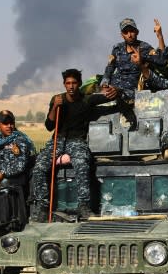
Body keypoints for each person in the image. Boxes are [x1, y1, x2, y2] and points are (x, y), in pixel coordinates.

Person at [30, 68, 118, 221]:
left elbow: (108, 97)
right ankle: (43, 206)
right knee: (39, 167)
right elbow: (49, 125)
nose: (71, 86)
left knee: (82, 164)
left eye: (74, 83)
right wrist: (55, 107)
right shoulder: (57, 99)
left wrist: (116, 90)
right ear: (64, 84)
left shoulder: (86, 100)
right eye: (68, 83)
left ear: (79, 84)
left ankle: (83, 206)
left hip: (77, 141)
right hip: (58, 140)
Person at [100, 17, 168, 129]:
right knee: (92, 101)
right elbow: (110, 66)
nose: (129, 35)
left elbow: (162, 60)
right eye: (126, 32)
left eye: (131, 31)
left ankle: (132, 121)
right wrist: (105, 81)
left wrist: (159, 36)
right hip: (114, 87)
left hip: (133, 90)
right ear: (122, 34)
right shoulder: (117, 48)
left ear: (137, 32)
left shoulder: (144, 48)